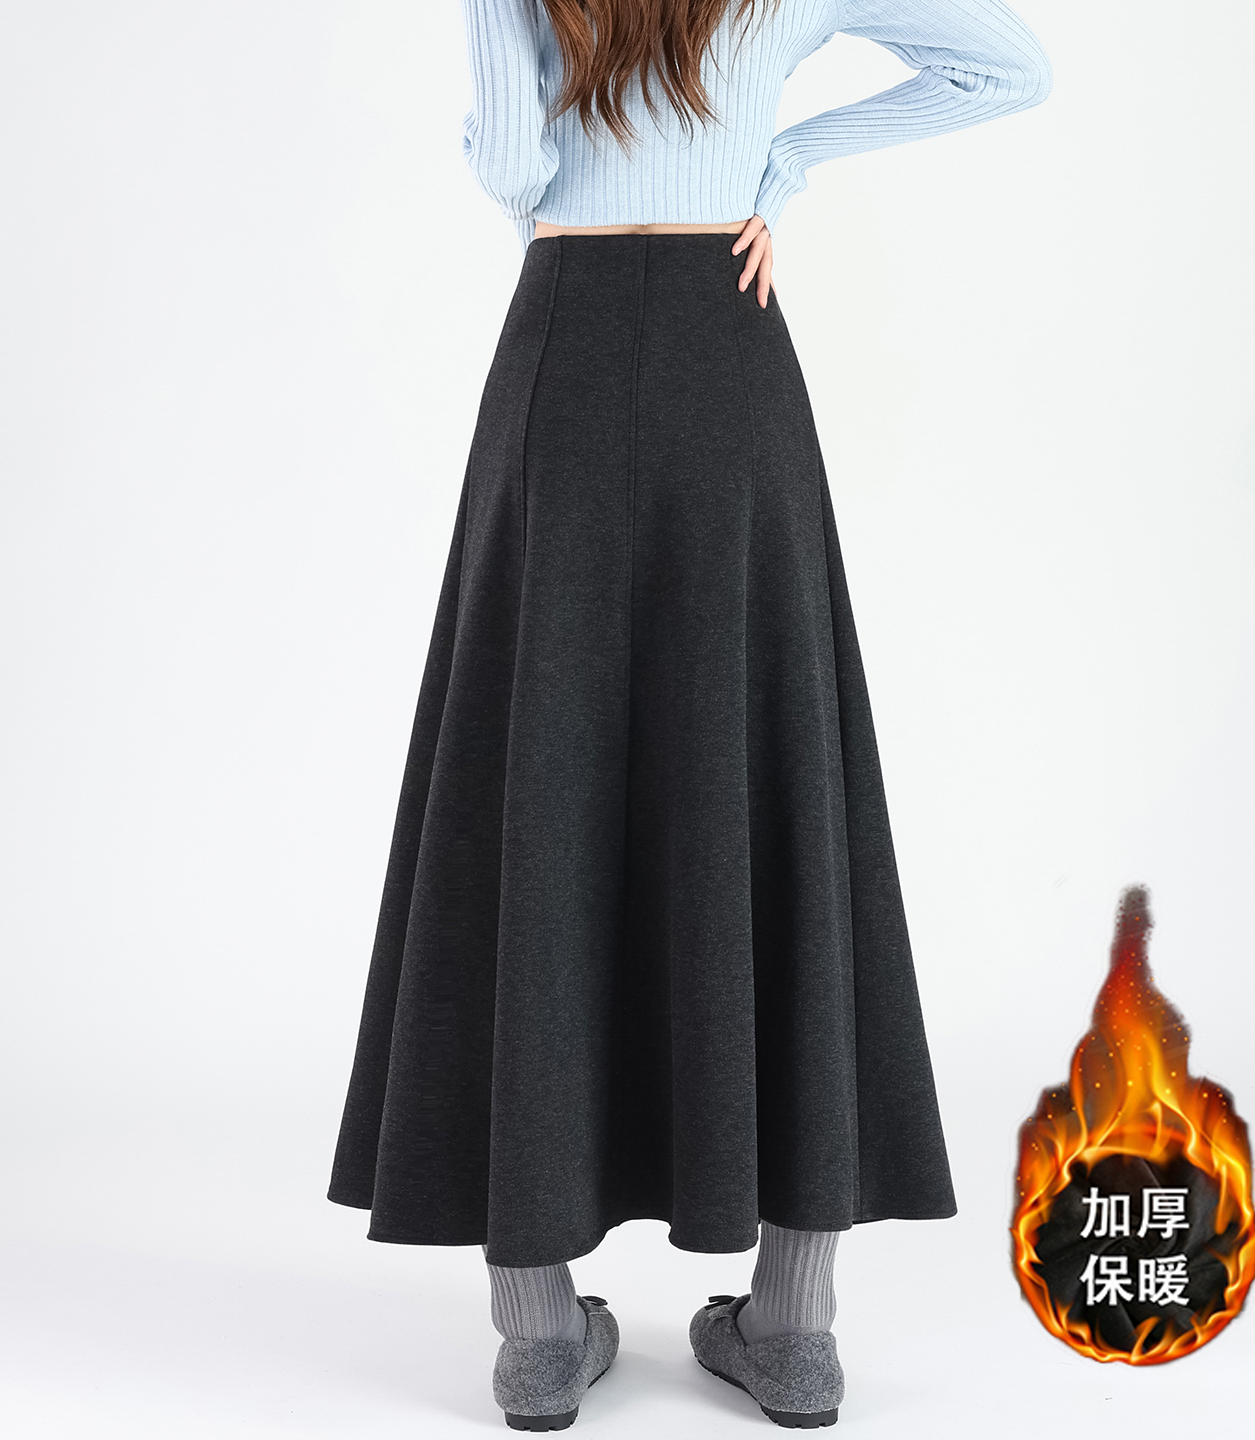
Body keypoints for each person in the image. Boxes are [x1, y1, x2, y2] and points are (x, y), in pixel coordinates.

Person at [328, 0, 1051, 1428]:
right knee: (769, 764)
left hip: (566, 344)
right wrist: (781, 162)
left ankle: (539, 1333)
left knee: (538, 779)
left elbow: (513, 171)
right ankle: (793, 1325)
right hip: (734, 345)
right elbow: (1005, 66)